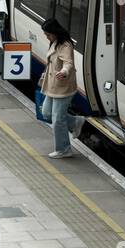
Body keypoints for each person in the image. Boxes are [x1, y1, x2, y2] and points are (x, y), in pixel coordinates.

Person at [39, 18, 77, 159]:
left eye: (48, 34)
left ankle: (64, 149)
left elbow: (68, 63)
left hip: (63, 87)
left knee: (58, 120)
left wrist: (64, 72)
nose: (46, 36)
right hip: (52, 85)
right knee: (47, 112)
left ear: (55, 32)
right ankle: (76, 122)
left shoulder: (65, 46)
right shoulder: (55, 41)